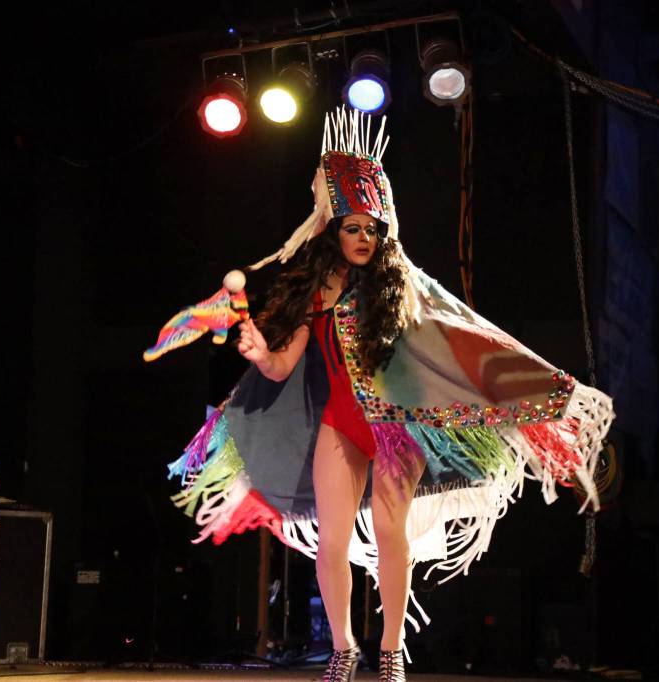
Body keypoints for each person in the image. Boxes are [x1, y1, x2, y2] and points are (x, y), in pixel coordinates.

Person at [161, 108, 614, 682]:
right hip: (340, 425)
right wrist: (256, 352)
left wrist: (543, 389)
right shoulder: (314, 292)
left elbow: (468, 340)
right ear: (331, 228)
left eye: (372, 228)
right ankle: (345, 650)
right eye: (352, 226)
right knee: (332, 538)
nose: (363, 237)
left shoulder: (406, 290)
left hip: (398, 427)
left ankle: (392, 651)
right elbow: (281, 369)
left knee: (390, 533)